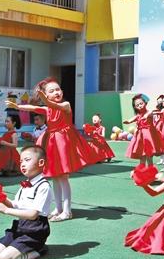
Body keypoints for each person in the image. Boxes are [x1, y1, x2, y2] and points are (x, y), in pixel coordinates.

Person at [7, 78, 97, 221]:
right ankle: (59, 208)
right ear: (46, 95)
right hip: (53, 143)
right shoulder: (48, 109)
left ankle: (67, 211)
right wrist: (17, 107)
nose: (56, 92)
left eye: (58, 89)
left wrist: (44, 98)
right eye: (52, 91)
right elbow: (33, 108)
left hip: (63, 143)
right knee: (55, 177)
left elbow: (50, 104)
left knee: (63, 177)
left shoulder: (65, 105)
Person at [0, 146, 52, 259]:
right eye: (21, 161)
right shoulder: (25, 185)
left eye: (27, 160)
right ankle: (17, 247)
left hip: (35, 229)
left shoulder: (43, 186)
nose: (22, 164)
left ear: (41, 162)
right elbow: (16, 205)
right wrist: (1, 197)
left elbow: (33, 215)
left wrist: (6, 210)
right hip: (19, 227)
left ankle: (39, 249)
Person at [124, 93, 164, 167]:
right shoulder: (138, 115)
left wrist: (146, 116)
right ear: (135, 107)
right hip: (140, 137)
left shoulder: (149, 112)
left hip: (149, 137)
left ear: (145, 103)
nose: (140, 106)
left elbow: (150, 113)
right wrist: (128, 121)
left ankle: (151, 171)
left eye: (141, 103)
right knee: (142, 156)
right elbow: (133, 119)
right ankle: (141, 170)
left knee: (149, 155)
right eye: (137, 105)